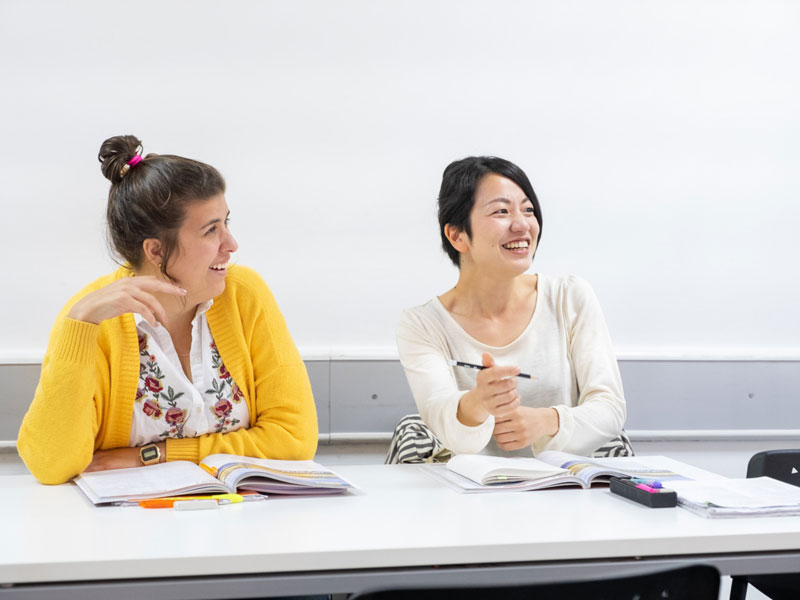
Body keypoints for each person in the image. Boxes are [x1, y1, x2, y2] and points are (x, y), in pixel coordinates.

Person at [18, 135, 318, 484]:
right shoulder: (91, 317)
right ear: (155, 251)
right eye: (211, 231)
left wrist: (153, 455)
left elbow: (295, 440)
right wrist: (79, 326)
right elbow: (50, 465)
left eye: (227, 223)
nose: (231, 245)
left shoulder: (244, 294)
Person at [396, 156, 626, 458]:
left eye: (528, 210)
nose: (522, 225)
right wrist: (478, 402)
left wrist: (547, 421)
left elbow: (610, 409)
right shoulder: (421, 324)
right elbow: (441, 418)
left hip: (563, 489)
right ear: (457, 235)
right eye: (501, 211)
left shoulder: (570, 296)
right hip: (466, 496)